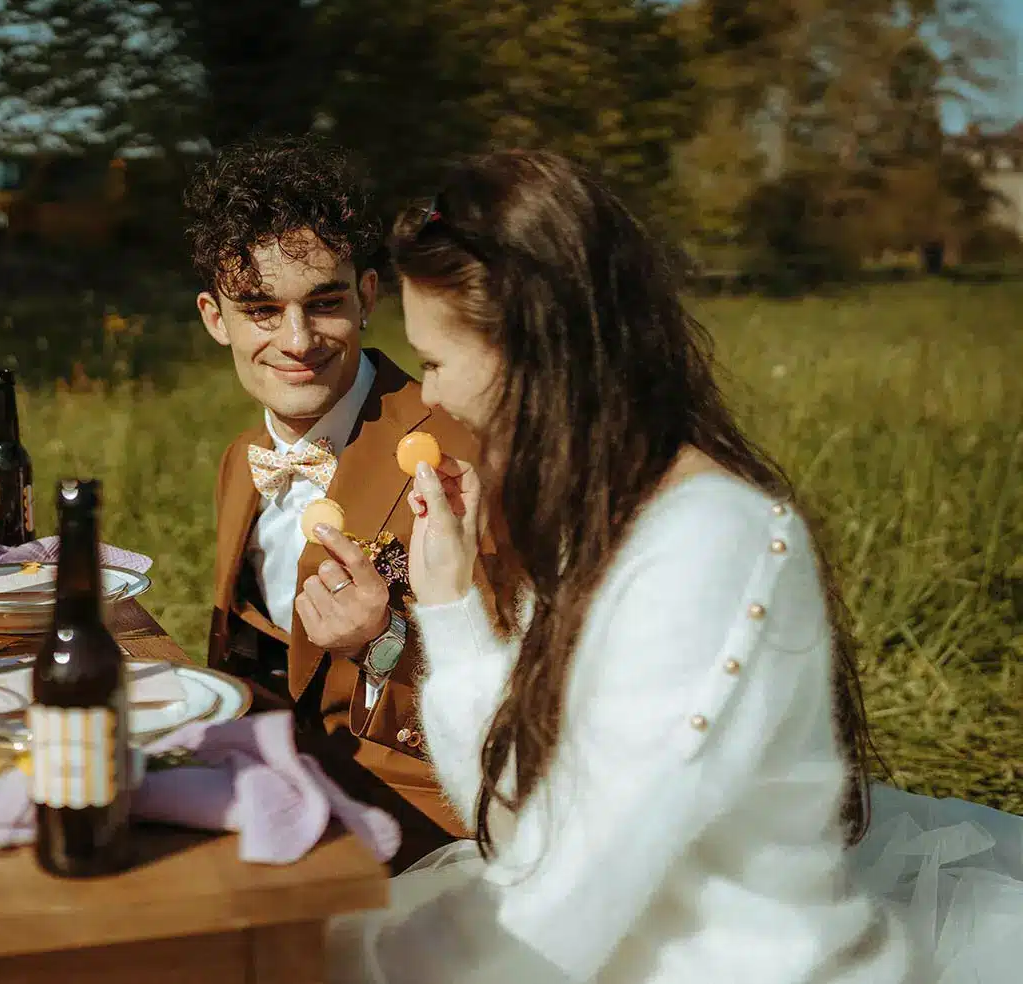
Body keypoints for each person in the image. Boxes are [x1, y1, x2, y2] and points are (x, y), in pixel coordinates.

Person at [325, 150, 946, 983]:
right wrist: (448, 610)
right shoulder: (599, 515)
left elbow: (575, 891)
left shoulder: (708, 547)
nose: (428, 396)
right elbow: (513, 821)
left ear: (534, 353)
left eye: (435, 360)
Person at [184, 135, 485, 872]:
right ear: (215, 318)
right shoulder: (237, 460)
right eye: (260, 310)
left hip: (427, 833)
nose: (297, 340)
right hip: (274, 802)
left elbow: (533, 697)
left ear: (369, 297)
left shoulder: (464, 453)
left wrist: (383, 644)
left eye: (324, 303)